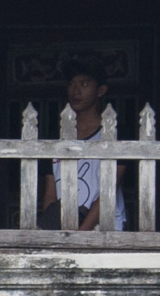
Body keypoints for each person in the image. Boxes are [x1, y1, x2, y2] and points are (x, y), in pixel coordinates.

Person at [48, 69, 122, 232]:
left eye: (84, 83)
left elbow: (109, 190)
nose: (76, 91)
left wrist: (81, 232)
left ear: (100, 91)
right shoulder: (55, 136)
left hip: (104, 228)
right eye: (71, 84)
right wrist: (52, 227)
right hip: (62, 229)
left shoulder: (114, 134)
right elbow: (50, 190)